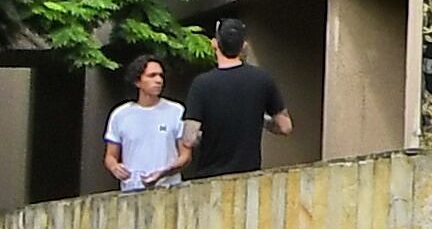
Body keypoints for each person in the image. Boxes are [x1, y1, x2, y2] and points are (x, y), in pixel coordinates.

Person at [177, 18, 291, 181]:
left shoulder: (201, 84)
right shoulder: (262, 79)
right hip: (249, 178)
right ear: (243, 45)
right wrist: (260, 119)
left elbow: (189, 139)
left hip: (209, 178)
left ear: (214, 43)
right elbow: (285, 127)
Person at [102, 54, 187, 192]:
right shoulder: (120, 114)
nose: (158, 80)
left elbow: (185, 155)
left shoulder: (176, 111)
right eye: (152, 75)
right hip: (132, 189)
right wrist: (115, 167)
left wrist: (165, 172)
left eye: (160, 75)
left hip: (169, 189)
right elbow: (110, 156)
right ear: (137, 82)